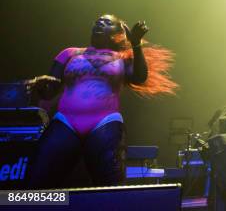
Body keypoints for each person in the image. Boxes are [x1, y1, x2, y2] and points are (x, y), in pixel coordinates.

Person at [26, 14, 177, 188]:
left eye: (107, 22)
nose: (100, 23)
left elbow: (139, 78)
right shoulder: (70, 53)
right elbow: (50, 91)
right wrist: (40, 85)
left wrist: (136, 44)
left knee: (109, 183)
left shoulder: (122, 58)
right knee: (37, 178)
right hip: (66, 121)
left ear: (117, 32)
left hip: (104, 122)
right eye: (98, 21)